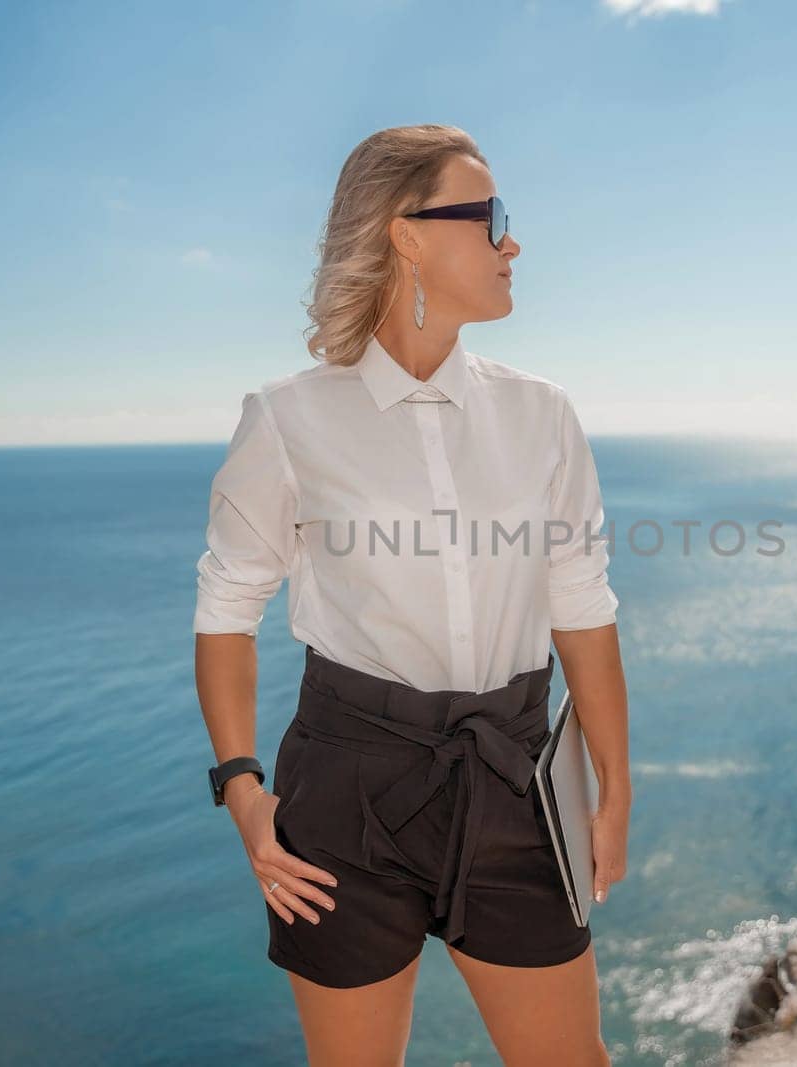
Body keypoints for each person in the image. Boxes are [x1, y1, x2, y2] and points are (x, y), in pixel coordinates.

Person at [192, 124, 630, 1065]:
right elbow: (227, 609)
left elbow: (582, 601)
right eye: (492, 217)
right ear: (407, 234)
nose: (513, 244)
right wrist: (242, 791)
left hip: (514, 778)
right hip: (344, 792)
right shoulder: (288, 418)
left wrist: (614, 784)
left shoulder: (542, 413)